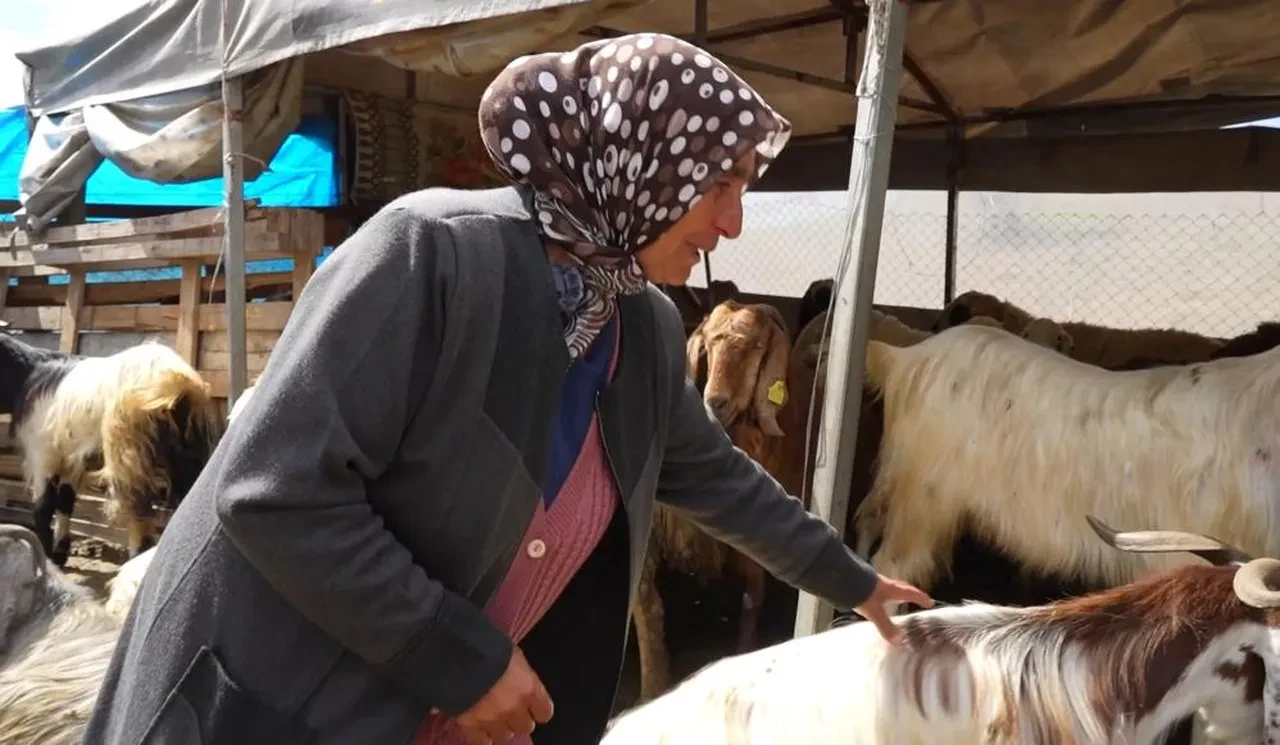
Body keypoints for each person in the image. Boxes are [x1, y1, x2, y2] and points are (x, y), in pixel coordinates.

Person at [82, 32, 931, 745]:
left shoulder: (641, 324)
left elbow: (720, 479)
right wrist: (465, 656)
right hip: (265, 703)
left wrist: (858, 584)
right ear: (643, 164)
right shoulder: (428, 257)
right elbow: (273, 493)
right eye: (717, 185)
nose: (733, 222)